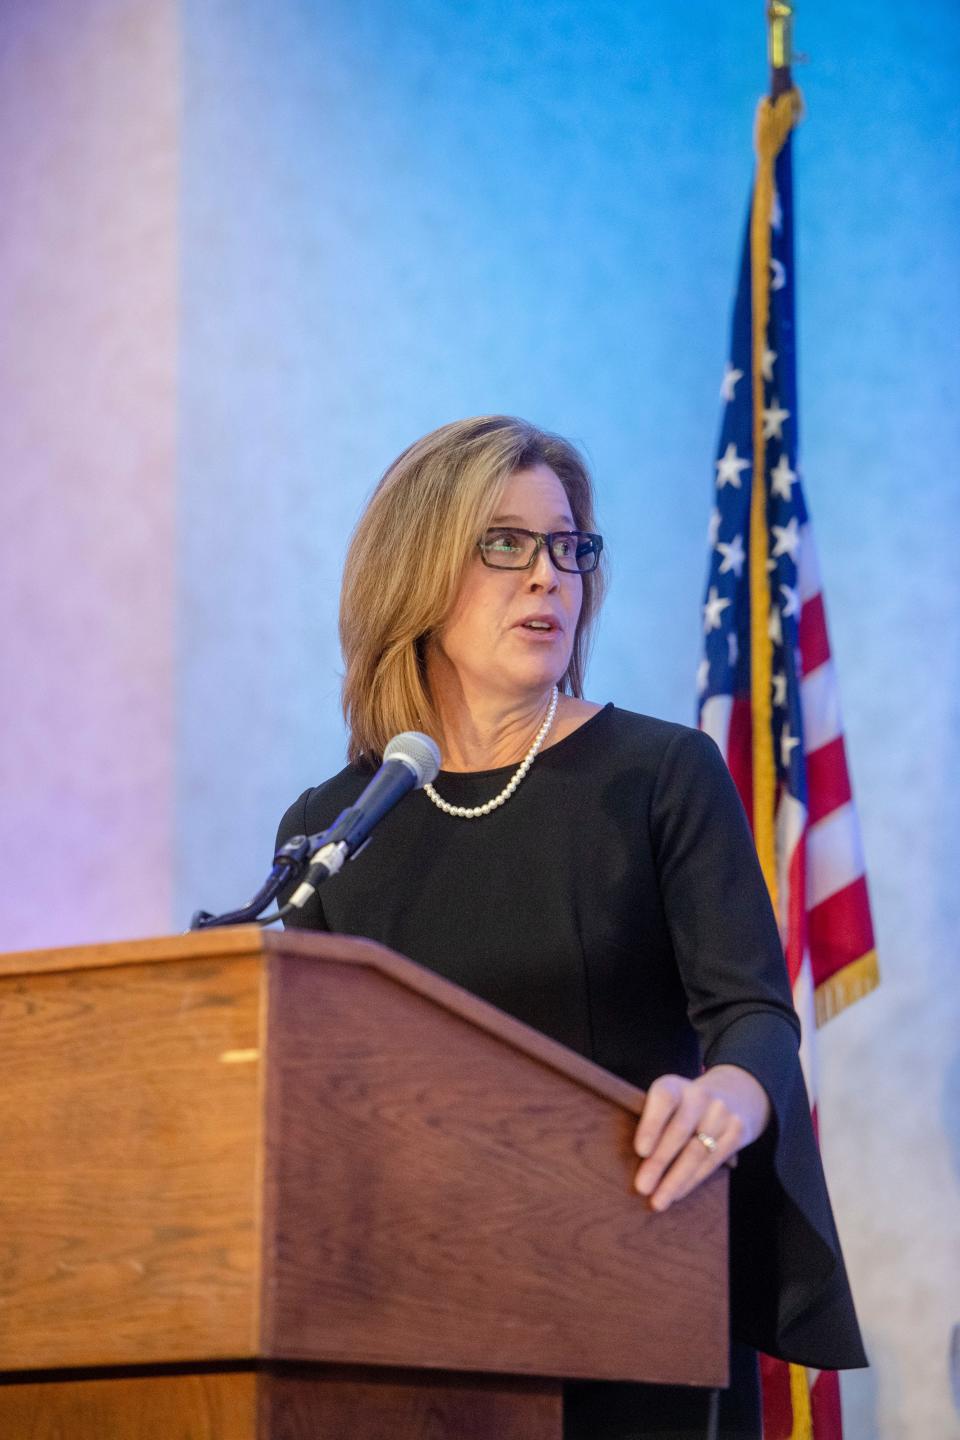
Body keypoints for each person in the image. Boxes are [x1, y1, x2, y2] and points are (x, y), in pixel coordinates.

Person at [276, 415, 866, 1439]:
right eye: (504, 542)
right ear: (415, 571)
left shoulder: (660, 774)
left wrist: (727, 1095)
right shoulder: (333, 827)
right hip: (399, 1324)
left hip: (631, 1287)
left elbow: (754, 1018)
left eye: (569, 546)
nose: (548, 574)